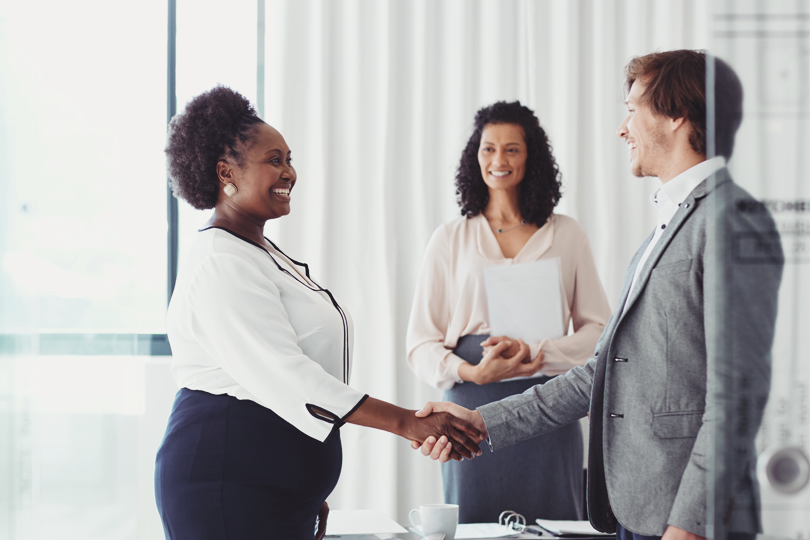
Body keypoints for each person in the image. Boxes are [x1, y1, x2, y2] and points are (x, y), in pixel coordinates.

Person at [414, 51, 784, 540]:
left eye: (632, 109)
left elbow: (735, 397)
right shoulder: (667, 226)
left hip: (683, 522)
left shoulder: (732, 220)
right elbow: (606, 371)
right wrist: (481, 422)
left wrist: (689, 527)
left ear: (677, 116)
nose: (622, 127)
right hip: (638, 510)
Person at [154, 86, 482, 540]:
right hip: (227, 488)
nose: (289, 171)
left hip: (271, 491)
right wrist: (408, 421)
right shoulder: (220, 261)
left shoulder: (260, 253)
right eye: (274, 160)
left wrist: (305, 489)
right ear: (225, 172)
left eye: (289, 159)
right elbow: (290, 378)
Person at [406, 101, 611, 523]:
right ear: (475, 156)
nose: (499, 160)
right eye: (488, 149)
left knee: (556, 522)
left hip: (550, 404)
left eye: (512, 149)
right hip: (470, 407)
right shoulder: (450, 239)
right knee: (474, 522)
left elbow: (601, 332)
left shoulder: (567, 234)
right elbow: (420, 343)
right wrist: (473, 373)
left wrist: (538, 353)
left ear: (530, 155)